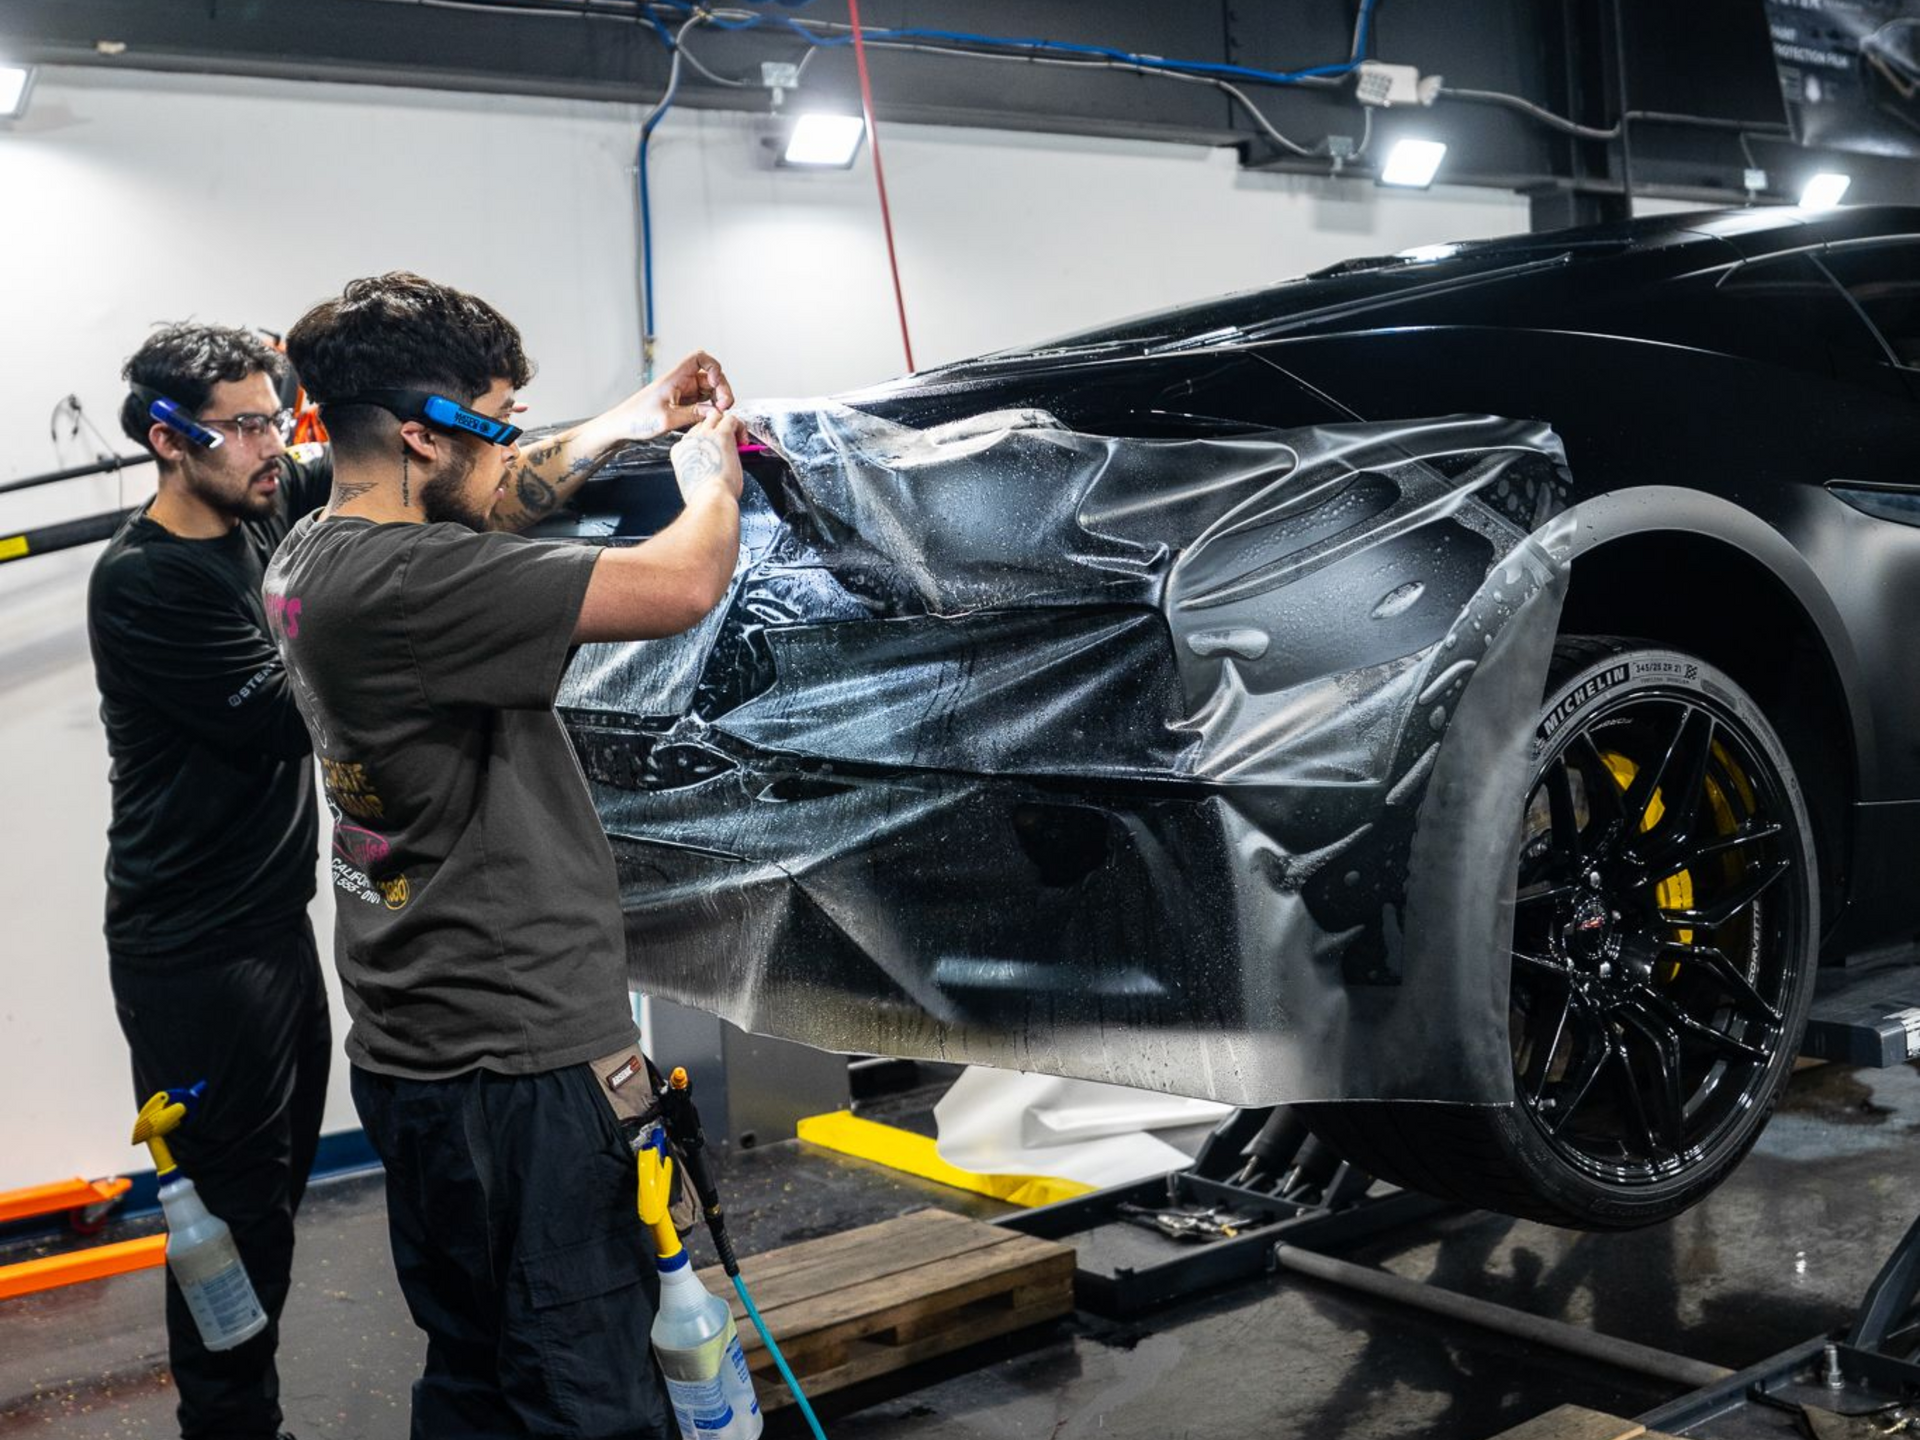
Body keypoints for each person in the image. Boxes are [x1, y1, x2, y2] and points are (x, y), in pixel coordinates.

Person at [265, 271, 743, 1438]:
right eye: (498, 419)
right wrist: (711, 474)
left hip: (417, 1041)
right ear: (427, 435)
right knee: (586, 1382)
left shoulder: (320, 545)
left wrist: (628, 418)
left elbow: (502, 495)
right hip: (519, 1056)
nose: (514, 449)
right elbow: (681, 585)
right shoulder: (412, 582)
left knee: (475, 1368)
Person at [87, 323, 335, 1440]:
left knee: (272, 1201)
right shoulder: (144, 581)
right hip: (193, 951)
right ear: (166, 438)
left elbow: (389, 459)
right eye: (240, 426)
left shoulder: (263, 504)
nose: (268, 444)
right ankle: (231, 1429)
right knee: (231, 1220)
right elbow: (289, 718)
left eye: (272, 418)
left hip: (272, 926)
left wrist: (626, 426)